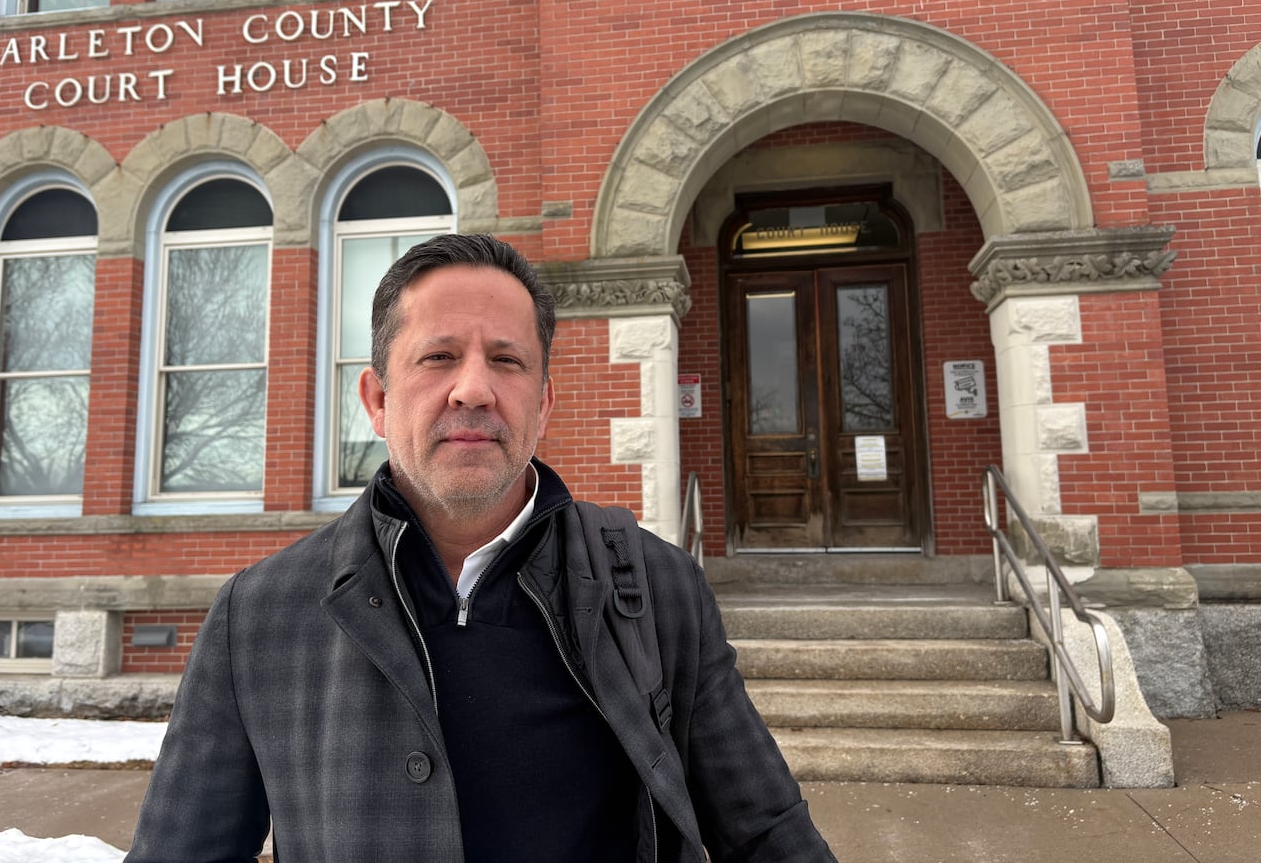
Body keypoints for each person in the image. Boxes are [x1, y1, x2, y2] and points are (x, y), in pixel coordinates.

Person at [125, 233, 836, 863]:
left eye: (507, 360)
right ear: (375, 399)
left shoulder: (657, 590)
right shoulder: (260, 617)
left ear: (544, 402)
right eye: (438, 357)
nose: (474, 388)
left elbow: (769, 833)